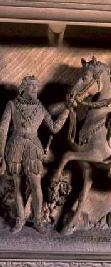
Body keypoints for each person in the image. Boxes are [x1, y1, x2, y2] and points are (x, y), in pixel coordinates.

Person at [0, 76, 69, 233]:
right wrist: (1, 154)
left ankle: (38, 219)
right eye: (31, 86)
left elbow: (54, 127)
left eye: (36, 87)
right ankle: (20, 219)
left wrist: (67, 111)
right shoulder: (12, 105)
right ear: (23, 88)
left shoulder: (40, 108)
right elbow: (3, 129)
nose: (35, 90)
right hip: (15, 146)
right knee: (17, 185)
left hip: (33, 147)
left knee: (36, 185)